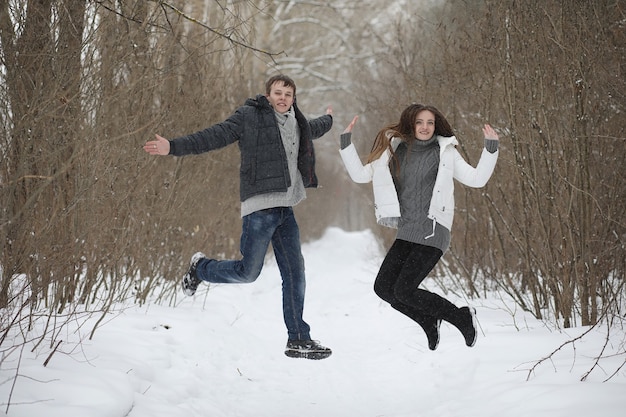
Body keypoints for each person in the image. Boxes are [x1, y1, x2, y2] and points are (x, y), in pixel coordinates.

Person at [143, 74, 333, 360]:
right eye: (278, 93)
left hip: (286, 209)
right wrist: (173, 146)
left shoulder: (298, 120)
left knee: (295, 274)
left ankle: (298, 339)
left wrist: (330, 120)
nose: (283, 98)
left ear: (294, 98)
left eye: (288, 94)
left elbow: (313, 128)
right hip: (260, 207)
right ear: (267, 95)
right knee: (248, 273)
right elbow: (214, 135)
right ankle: (201, 268)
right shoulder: (249, 116)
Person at [339, 104, 499, 350]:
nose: (425, 127)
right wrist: (346, 143)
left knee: (404, 290)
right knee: (383, 288)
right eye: (420, 122)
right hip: (407, 231)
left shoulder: (445, 152)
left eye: (430, 123)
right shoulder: (395, 150)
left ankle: (461, 317)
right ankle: (427, 319)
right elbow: (361, 175)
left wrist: (490, 149)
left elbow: (477, 180)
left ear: (436, 126)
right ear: (411, 124)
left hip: (433, 229)